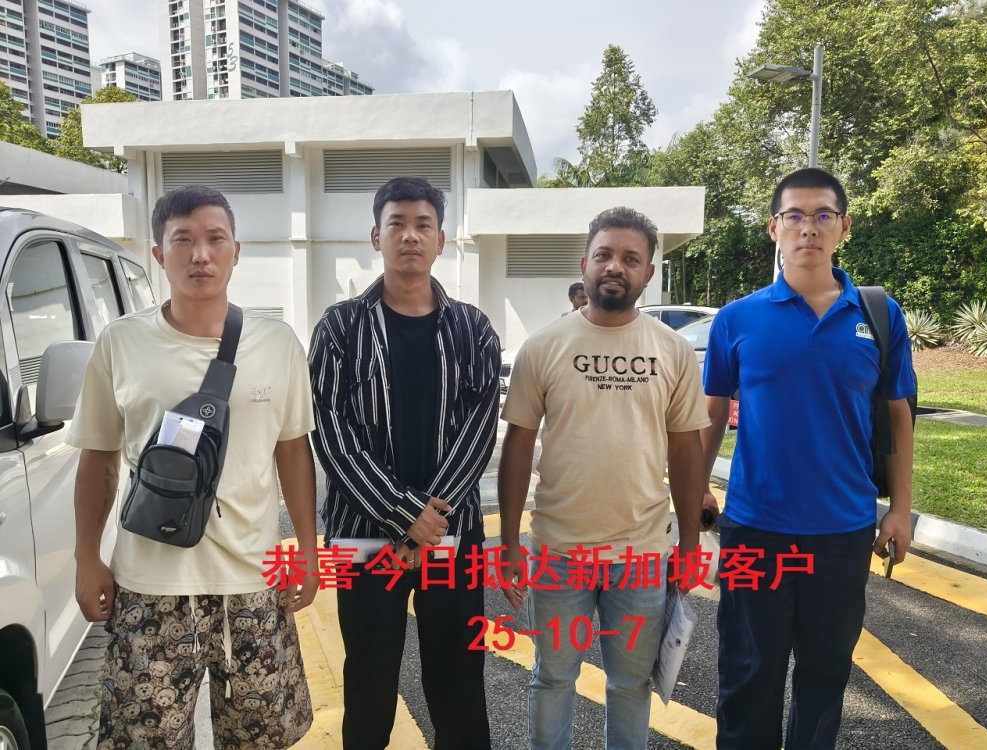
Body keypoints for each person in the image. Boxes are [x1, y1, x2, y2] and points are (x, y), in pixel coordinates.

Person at [71, 185, 319, 749]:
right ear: (159, 254)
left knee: (260, 741)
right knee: (144, 742)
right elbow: (98, 458)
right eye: (182, 240)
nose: (200, 254)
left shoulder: (277, 344)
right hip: (148, 586)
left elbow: (293, 451)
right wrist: (87, 557)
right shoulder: (121, 343)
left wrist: (305, 549)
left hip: (254, 583)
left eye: (214, 238)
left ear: (236, 251)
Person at [700, 167, 916, 749]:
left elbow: (898, 415)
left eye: (823, 215)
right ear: (774, 228)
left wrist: (900, 510)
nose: (808, 228)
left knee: (825, 675)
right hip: (756, 528)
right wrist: (694, 488)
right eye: (794, 215)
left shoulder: (879, 315)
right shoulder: (737, 318)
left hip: (843, 531)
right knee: (749, 673)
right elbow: (712, 414)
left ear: (844, 227)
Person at [498, 206, 709, 750]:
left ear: (649, 272)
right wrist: (510, 543)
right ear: (585, 264)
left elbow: (686, 450)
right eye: (604, 255)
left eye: (631, 258)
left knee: (631, 685)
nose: (616, 266)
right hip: (559, 553)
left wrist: (690, 543)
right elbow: (517, 448)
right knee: (553, 678)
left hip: (641, 555)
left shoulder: (672, 350)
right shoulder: (543, 347)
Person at [309, 176, 500, 750]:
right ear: (376, 236)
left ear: (440, 240)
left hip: (453, 537)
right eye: (397, 223)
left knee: (460, 685)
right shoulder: (339, 328)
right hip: (365, 540)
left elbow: (479, 431)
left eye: (423, 225)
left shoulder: (473, 329)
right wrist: (403, 514)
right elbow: (331, 435)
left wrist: (428, 520)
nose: (410, 235)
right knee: (369, 686)